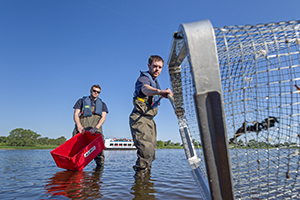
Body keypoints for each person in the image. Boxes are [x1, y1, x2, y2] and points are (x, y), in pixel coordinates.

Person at [129, 55, 173, 178]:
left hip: (150, 121)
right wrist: (159, 92)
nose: (157, 69)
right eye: (155, 66)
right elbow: (145, 89)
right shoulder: (143, 79)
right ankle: (140, 184)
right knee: (145, 151)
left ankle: (146, 182)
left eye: (160, 67)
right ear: (149, 66)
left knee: (151, 154)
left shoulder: (155, 82)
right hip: (139, 118)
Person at [72, 84, 108, 170]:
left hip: (95, 128)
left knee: (99, 150)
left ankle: (99, 170)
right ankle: (74, 167)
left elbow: (103, 117)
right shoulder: (81, 101)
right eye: (94, 91)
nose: (95, 93)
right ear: (90, 90)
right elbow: (76, 114)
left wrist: (96, 128)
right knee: (76, 148)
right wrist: (79, 126)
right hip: (82, 127)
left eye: (98, 92)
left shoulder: (102, 104)